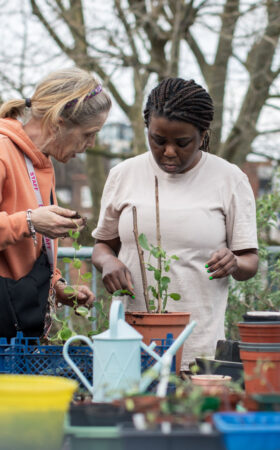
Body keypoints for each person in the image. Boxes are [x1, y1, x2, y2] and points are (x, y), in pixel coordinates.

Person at [0, 67, 111, 437]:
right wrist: (27, 221)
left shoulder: (40, 162)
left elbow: (26, 246)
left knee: (9, 438)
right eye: (89, 134)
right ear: (60, 121)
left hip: (8, 327)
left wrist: (57, 286)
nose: (90, 145)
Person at [91, 78, 259, 368]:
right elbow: (102, 246)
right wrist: (108, 263)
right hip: (129, 344)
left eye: (182, 143)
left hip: (198, 348)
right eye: (158, 140)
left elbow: (249, 262)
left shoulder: (230, 179)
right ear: (147, 130)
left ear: (203, 134)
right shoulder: (123, 175)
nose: (169, 151)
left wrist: (234, 263)